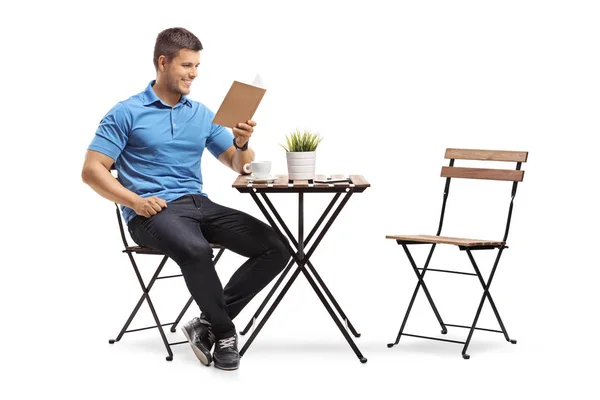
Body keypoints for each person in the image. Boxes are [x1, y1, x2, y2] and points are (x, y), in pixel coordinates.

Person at [81, 27, 290, 371]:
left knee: (277, 247)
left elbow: (239, 166)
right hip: (153, 213)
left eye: (196, 66)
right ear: (163, 63)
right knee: (196, 250)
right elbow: (92, 170)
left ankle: (205, 322)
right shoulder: (126, 112)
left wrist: (240, 143)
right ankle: (223, 333)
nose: (194, 74)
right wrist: (134, 201)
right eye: (186, 66)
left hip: (199, 204)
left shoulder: (201, 113)